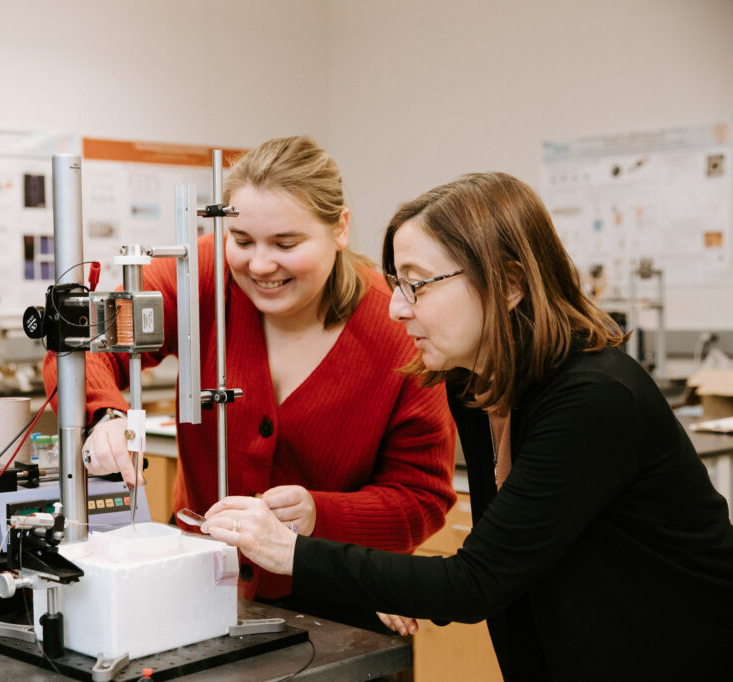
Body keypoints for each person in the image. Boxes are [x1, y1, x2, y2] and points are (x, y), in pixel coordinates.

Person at [199, 172, 733, 680]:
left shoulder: (593, 398)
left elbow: (473, 582)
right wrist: (397, 582)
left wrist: (287, 552)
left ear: (509, 285)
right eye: (395, 285)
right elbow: (504, 564)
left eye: (417, 285)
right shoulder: (472, 380)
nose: (396, 311)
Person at [42, 135, 457, 604]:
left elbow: (422, 500)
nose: (260, 264)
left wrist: (320, 514)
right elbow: (77, 343)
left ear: (340, 228)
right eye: (241, 240)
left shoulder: (398, 327)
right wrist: (106, 417)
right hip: (199, 582)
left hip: (335, 598)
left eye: (286, 242)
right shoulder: (200, 272)